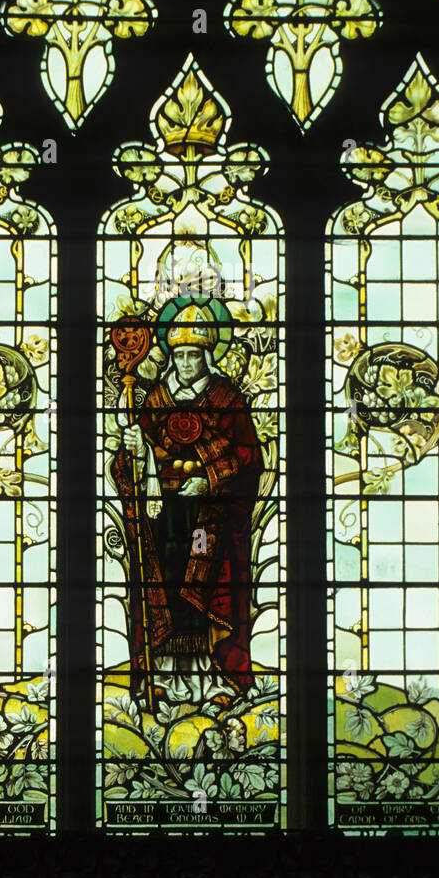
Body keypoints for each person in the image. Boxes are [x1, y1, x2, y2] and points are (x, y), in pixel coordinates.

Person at [112, 302, 262, 707]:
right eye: (179, 354)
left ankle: (213, 680)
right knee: (166, 590)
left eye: (194, 354)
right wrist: (135, 451)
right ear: (170, 356)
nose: (186, 362)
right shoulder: (156, 398)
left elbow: (250, 458)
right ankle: (162, 677)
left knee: (205, 592)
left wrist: (209, 480)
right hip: (164, 518)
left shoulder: (226, 398)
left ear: (207, 354)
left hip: (208, 519)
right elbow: (131, 464)